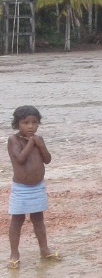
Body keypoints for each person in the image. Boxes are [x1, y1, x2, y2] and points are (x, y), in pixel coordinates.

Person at [7, 106, 61, 269]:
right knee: (17, 220)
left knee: (38, 219)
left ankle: (44, 250)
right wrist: (31, 142)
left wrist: (40, 144)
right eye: (25, 123)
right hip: (21, 188)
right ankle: (14, 253)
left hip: (37, 187)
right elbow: (21, 159)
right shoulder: (13, 140)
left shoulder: (39, 139)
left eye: (34, 122)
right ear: (17, 124)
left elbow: (48, 159)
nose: (30, 126)